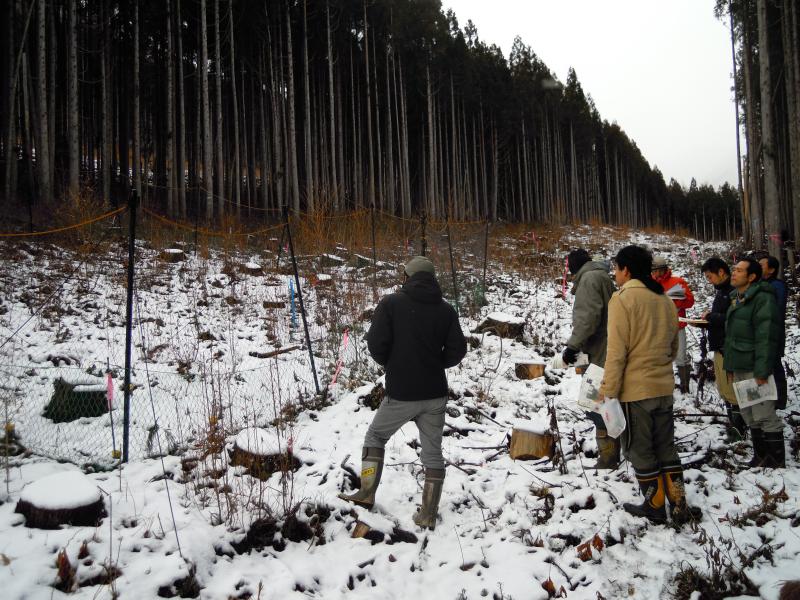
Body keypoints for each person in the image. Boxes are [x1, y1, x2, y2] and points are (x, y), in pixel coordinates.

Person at [339, 256, 467, 529]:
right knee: (433, 453)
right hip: (435, 393)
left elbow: (375, 344)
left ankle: (365, 494)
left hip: (401, 393)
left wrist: (393, 363)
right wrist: (434, 363)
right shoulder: (446, 310)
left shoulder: (391, 304)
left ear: (407, 277)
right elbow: (458, 350)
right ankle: (428, 514)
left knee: (375, 436)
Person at [599, 246, 700, 525]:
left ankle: (654, 506)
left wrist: (608, 390)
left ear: (626, 270)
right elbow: (673, 346)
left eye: (616, 269)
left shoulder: (622, 300)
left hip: (636, 391)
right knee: (666, 446)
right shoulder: (665, 300)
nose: (615, 274)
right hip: (663, 387)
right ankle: (678, 503)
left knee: (640, 448)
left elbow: (616, 351)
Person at [723, 258, 785, 468]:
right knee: (750, 413)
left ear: (752, 277)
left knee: (764, 413)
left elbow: (766, 337)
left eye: (739, 271)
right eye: (734, 269)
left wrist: (762, 370)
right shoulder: (736, 298)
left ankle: (775, 462)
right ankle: (761, 457)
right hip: (739, 364)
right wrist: (729, 366)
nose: (733, 273)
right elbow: (732, 336)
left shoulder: (762, 299)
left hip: (754, 366)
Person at [560, 248, 618, 468]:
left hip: (598, 351)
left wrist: (572, 347)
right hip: (607, 346)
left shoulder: (589, 280)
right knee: (605, 400)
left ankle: (608, 458)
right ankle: (612, 453)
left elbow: (588, 318)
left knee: (597, 401)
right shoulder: (599, 275)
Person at [696, 258, 744, 439]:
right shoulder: (723, 291)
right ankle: (735, 425)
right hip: (720, 346)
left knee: (732, 390)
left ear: (721, 272)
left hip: (729, 347)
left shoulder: (733, 291)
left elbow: (733, 318)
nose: (709, 281)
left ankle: (739, 429)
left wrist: (711, 317)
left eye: (710, 277)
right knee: (725, 389)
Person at [651, 255, 695, 393]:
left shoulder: (678, 281)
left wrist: (675, 301)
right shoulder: (649, 284)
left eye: (658, 270)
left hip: (677, 326)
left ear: (664, 269)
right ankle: (664, 384)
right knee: (660, 356)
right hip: (658, 326)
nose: (655, 274)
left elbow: (690, 302)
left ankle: (685, 385)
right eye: (653, 271)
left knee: (681, 357)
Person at [759, 255, 788, 410]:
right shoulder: (757, 284)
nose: (758, 267)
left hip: (773, 331)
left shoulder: (778, 286)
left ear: (771, 270)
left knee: (774, 362)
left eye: (761, 265)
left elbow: (777, 310)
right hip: (760, 332)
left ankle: (780, 400)